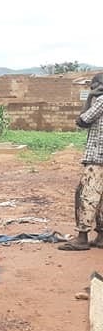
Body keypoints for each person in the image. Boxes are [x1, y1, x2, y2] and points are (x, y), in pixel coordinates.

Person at [60, 73, 103, 251]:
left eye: (93, 86)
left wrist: (91, 97)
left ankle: (82, 238)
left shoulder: (100, 100)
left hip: (97, 158)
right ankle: (101, 237)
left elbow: (82, 120)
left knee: (86, 196)